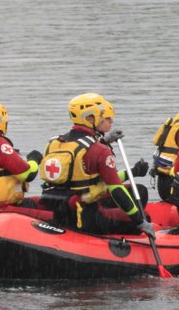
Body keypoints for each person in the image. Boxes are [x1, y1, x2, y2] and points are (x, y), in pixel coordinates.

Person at [36, 93, 152, 235]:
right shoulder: (99, 150)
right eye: (101, 114)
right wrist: (140, 222)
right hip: (87, 219)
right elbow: (117, 191)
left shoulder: (54, 143)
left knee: (138, 191)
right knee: (145, 217)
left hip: (61, 214)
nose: (105, 118)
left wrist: (131, 171)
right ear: (90, 118)